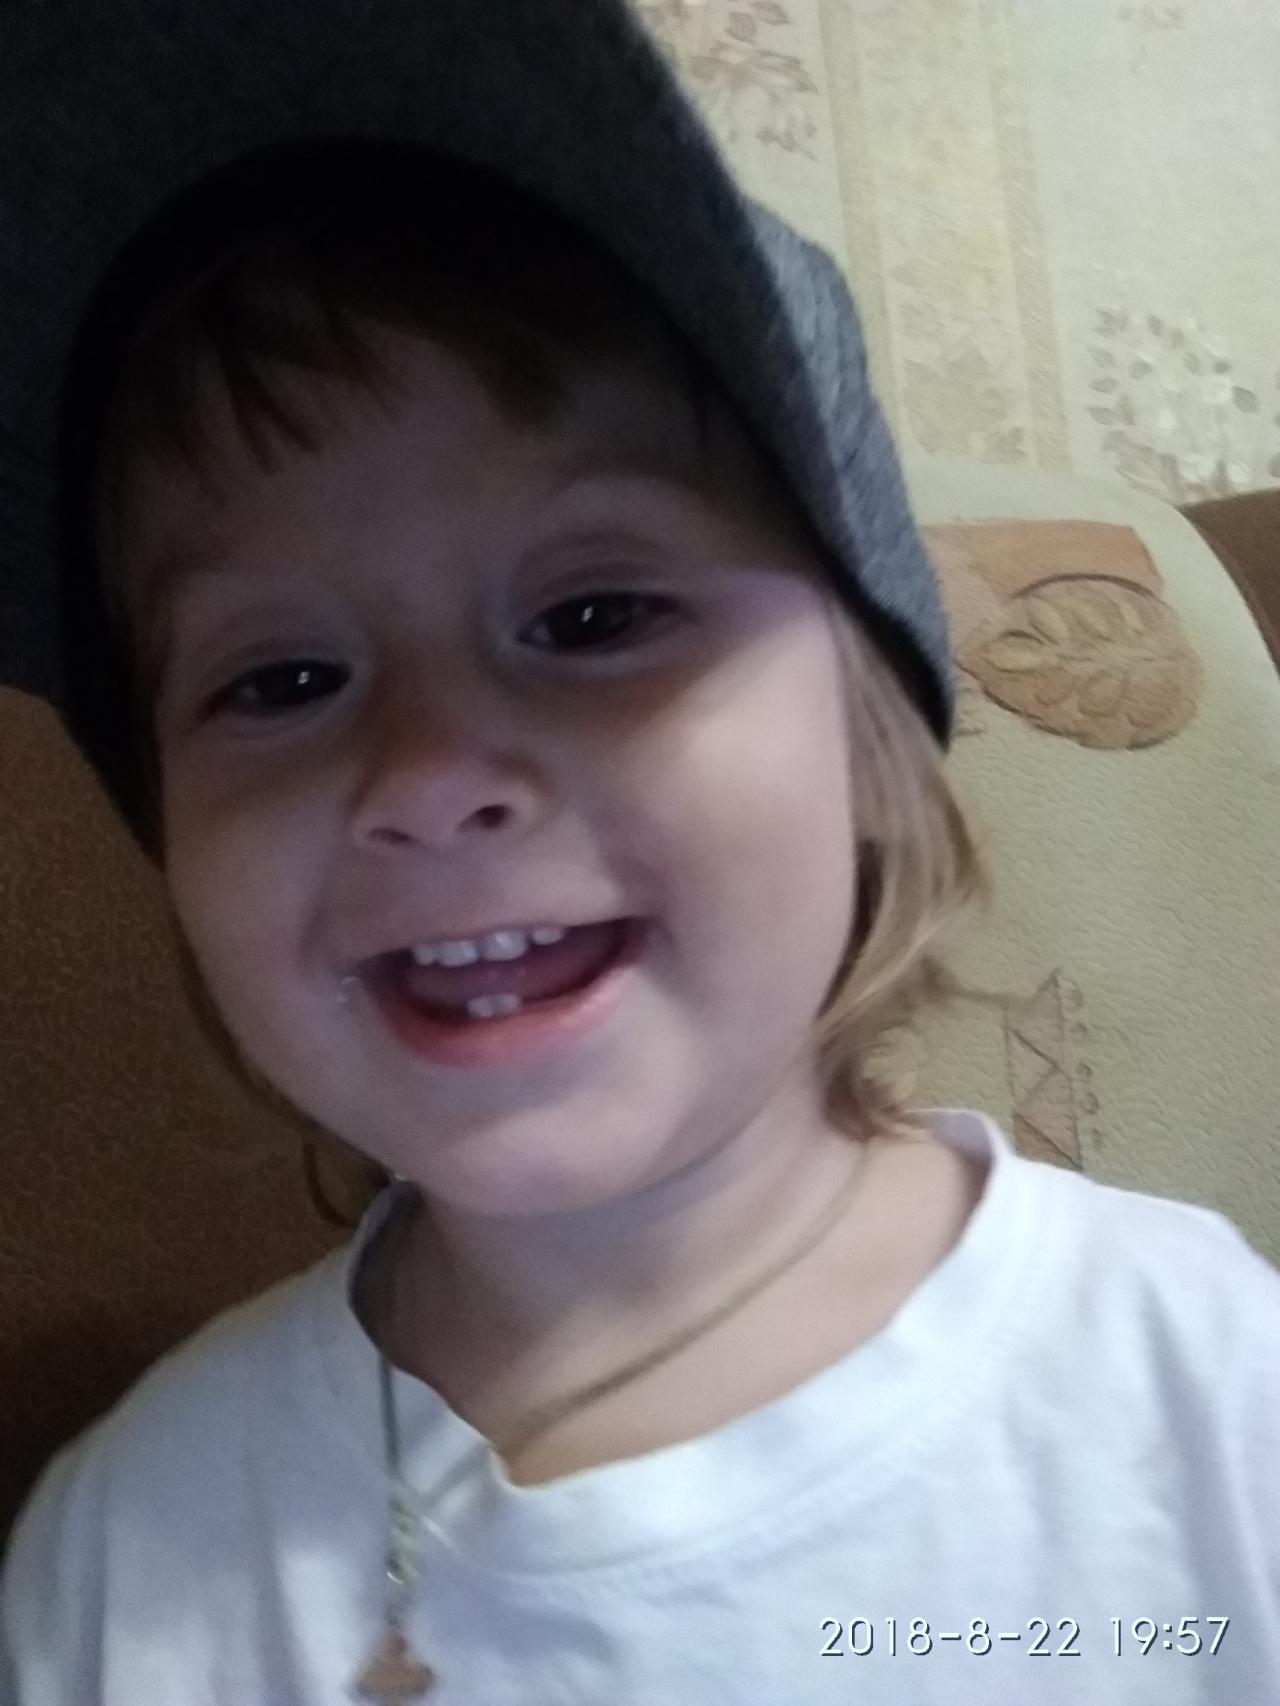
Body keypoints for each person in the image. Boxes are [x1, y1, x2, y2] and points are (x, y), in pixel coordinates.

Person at [1, 5, 1277, 1704]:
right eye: (282, 679)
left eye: (594, 615)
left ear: (870, 734)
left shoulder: (1208, 1407)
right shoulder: (123, 1560)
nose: (430, 776)